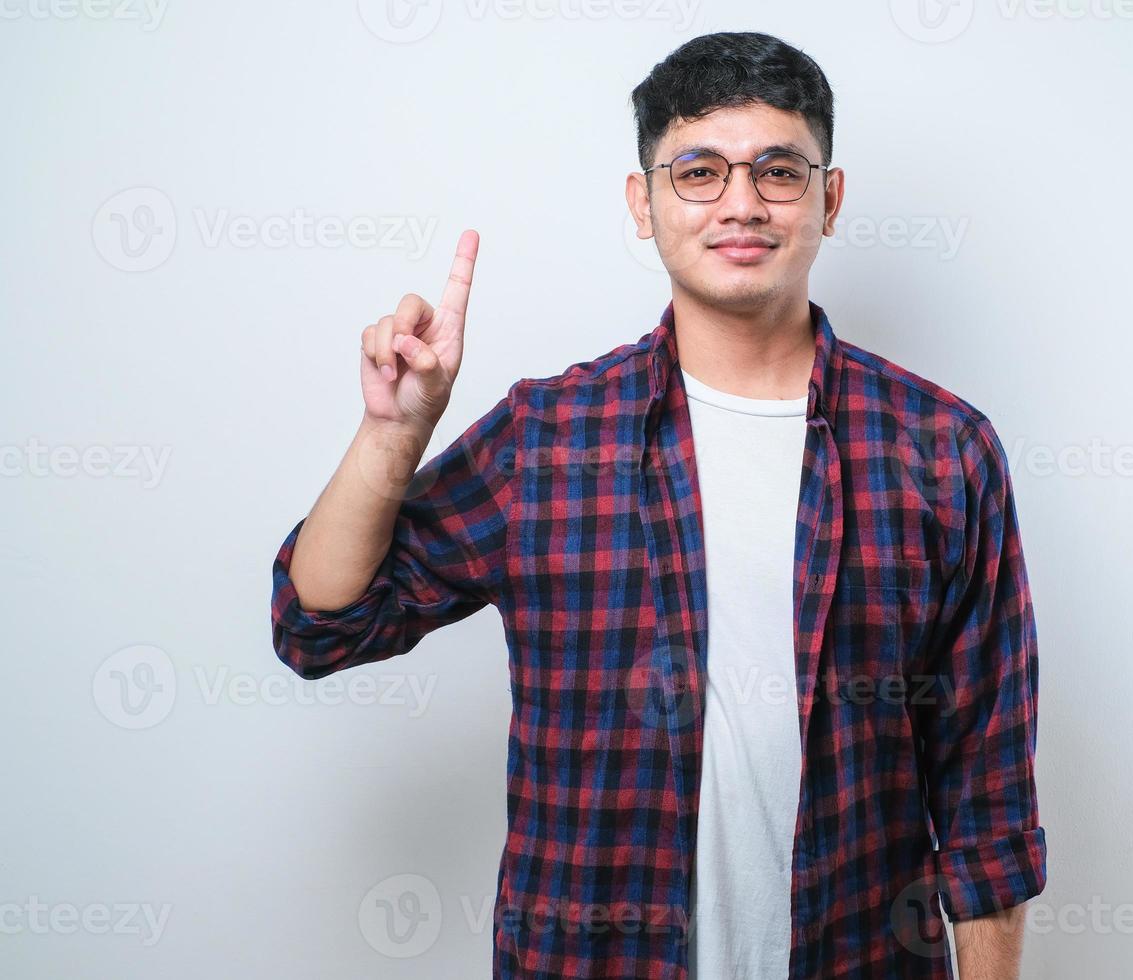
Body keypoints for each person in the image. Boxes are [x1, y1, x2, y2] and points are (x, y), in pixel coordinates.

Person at [270, 30, 1045, 980]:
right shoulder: (549, 438)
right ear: (644, 202)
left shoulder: (939, 449)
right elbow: (319, 624)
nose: (741, 204)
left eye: (779, 170)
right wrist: (395, 433)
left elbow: (986, 792)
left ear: (829, 199)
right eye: (699, 171)